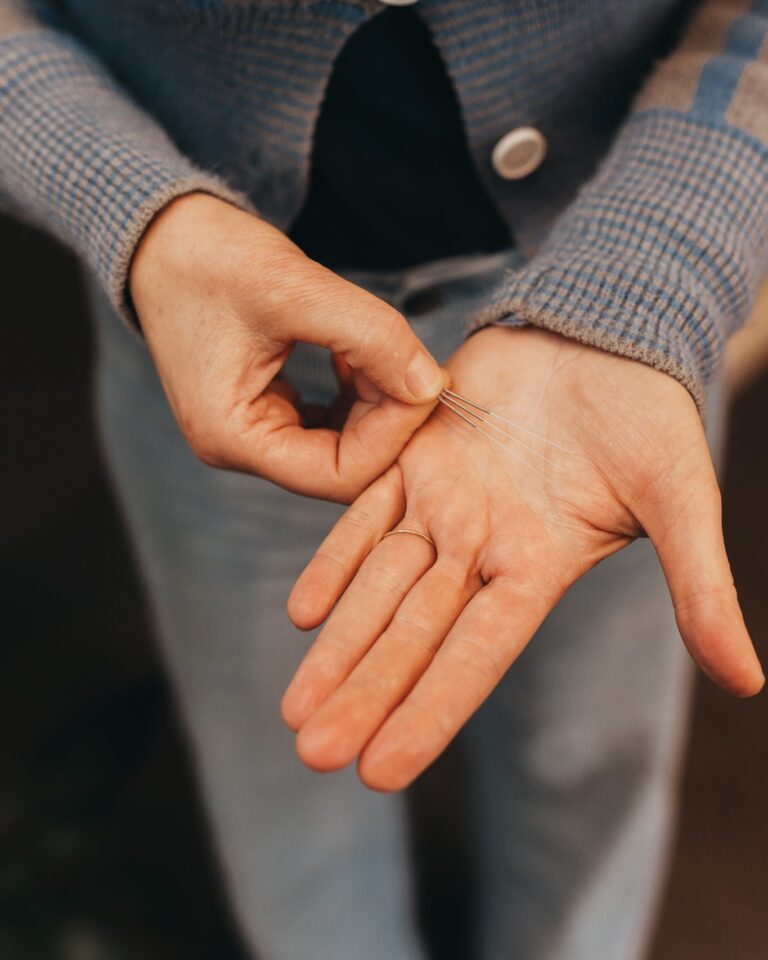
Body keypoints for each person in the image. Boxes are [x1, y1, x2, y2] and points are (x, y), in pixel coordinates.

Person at [1, 1, 765, 958]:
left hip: (613, 304)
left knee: (586, 756)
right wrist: (137, 209)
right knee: (286, 780)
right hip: (208, 332)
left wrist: (663, 262)